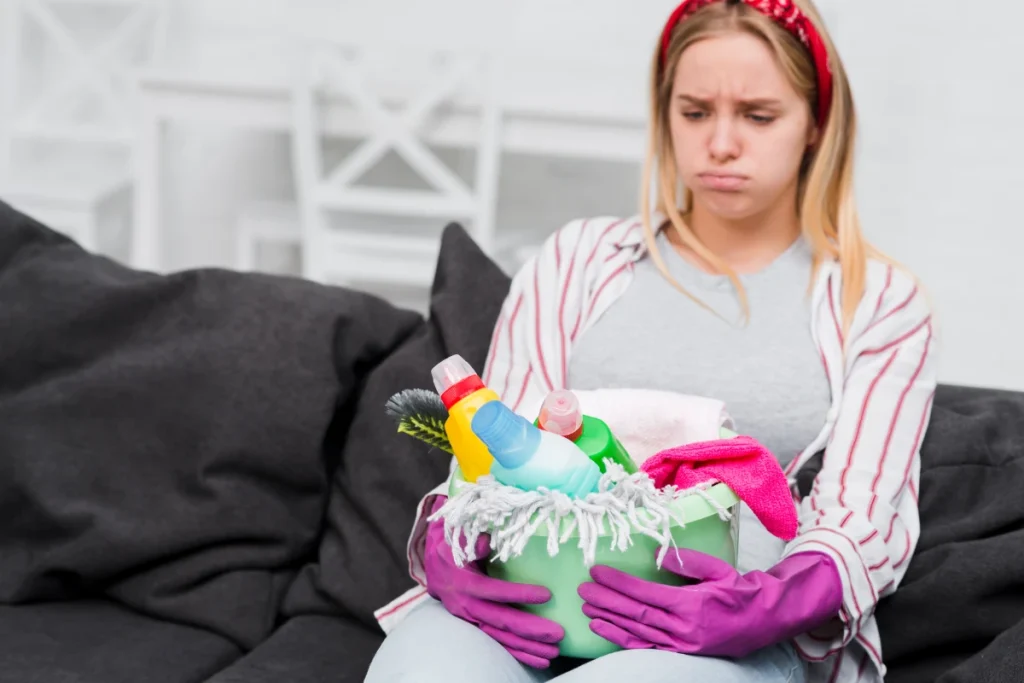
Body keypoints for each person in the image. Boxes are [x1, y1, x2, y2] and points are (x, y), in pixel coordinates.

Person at [366, 0, 937, 681]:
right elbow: (493, 451)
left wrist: (766, 605)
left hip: (720, 636)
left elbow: (861, 521)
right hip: (530, 600)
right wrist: (444, 542)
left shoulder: (879, 304)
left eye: (758, 115)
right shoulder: (574, 261)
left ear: (816, 122)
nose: (721, 142)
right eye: (694, 112)